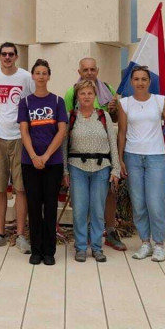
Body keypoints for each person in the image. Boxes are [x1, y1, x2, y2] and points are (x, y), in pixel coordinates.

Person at [117, 65, 165, 262]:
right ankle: (145, 242)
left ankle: (159, 245)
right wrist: (120, 159)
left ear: (149, 81)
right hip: (132, 157)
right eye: (136, 79)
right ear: (131, 82)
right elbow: (121, 133)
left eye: (143, 79)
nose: (140, 83)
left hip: (155, 157)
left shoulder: (160, 101)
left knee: (155, 202)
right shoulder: (125, 103)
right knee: (138, 203)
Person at [0, 42, 35, 253]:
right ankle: (0, 233)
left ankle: (20, 235)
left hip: (21, 138)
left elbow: (35, 101)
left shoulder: (26, 77)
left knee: (21, 189)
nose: (8, 57)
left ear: (16, 56)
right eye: (4, 54)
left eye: (11, 54)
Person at [64, 57, 126, 251]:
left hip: (103, 160)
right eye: (85, 69)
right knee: (81, 205)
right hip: (78, 163)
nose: (89, 72)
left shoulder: (108, 89)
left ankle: (107, 233)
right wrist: (64, 169)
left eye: (92, 69)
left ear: (97, 70)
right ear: (79, 71)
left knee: (106, 199)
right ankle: (83, 241)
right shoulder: (69, 93)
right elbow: (66, 129)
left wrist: (116, 165)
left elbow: (115, 121)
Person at [18, 59, 67, 266]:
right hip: (30, 163)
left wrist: (46, 156)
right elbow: (24, 131)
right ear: (32, 76)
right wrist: (34, 156)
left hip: (52, 162)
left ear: (49, 76)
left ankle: (49, 249)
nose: (40, 76)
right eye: (37, 73)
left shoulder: (57, 101)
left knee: (50, 204)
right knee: (34, 205)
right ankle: (36, 249)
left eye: (44, 73)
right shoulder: (26, 102)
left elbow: (62, 130)